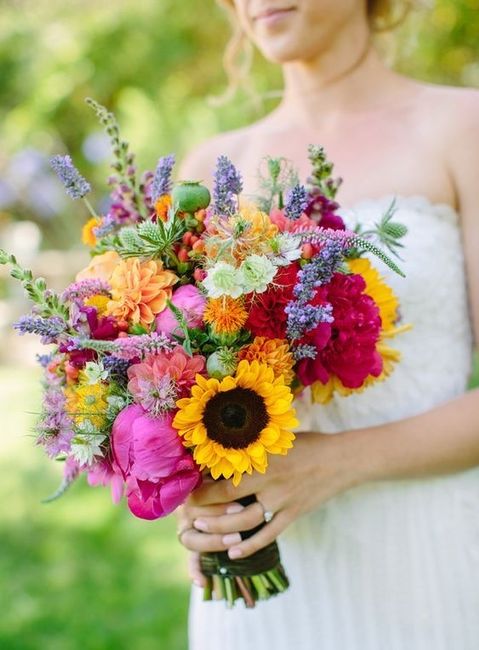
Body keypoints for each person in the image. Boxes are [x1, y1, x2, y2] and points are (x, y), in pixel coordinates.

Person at [176, 1, 479, 648]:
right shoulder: (208, 170)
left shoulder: (463, 127)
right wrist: (187, 498)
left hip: (424, 562)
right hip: (259, 591)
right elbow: (175, 385)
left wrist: (334, 464)